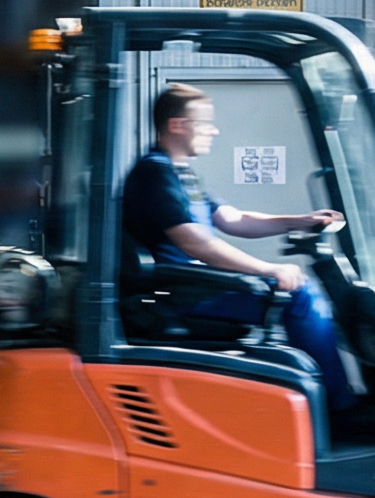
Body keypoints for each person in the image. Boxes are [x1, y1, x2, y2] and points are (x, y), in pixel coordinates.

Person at [120, 82, 358, 411]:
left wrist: (300, 220)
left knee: (298, 291)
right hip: (183, 294)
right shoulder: (154, 175)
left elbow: (234, 219)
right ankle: (341, 411)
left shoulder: (180, 174)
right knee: (302, 297)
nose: (213, 131)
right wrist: (269, 269)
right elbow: (196, 243)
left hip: (194, 287)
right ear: (177, 125)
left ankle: (333, 401)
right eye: (205, 123)